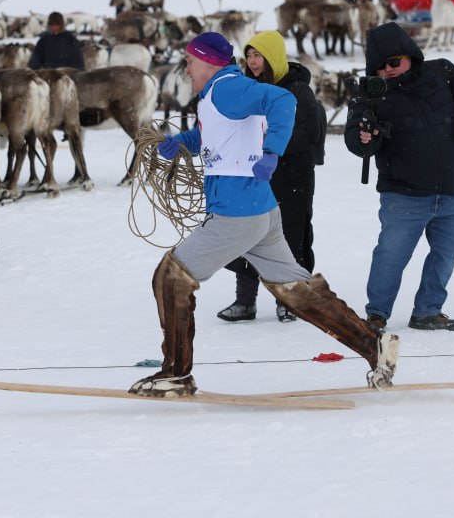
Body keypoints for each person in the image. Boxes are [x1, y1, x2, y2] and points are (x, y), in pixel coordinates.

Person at [131, 32, 399, 398]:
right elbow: (219, 134)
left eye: (190, 62)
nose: (186, 69)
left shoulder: (227, 88)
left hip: (237, 213)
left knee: (171, 278)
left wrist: (272, 150)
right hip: (260, 210)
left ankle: (176, 375)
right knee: (296, 291)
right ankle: (374, 346)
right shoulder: (220, 92)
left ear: (208, 62)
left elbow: (283, 100)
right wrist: (182, 143)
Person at [346, 24, 454, 333]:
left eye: (394, 62)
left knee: (445, 255)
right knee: (391, 256)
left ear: (409, 55)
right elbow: (355, 138)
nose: (388, 69)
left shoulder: (442, 73)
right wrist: (365, 137)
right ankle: (376, 315)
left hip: (453, 191)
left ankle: (428, 311)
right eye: (380, 66)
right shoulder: (369, 95)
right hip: (403, 197)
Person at [216, 31, 325, 324]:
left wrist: (270, 146)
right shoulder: (248, 90)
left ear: (273, 56)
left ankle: (289, 300)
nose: (252, 61)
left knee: (290, 237)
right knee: (247, 235)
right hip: (253, 177)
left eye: (258, 55)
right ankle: (245, 301)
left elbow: (307, 133)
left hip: (292, 178)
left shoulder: (299, 91)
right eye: (249, 55)